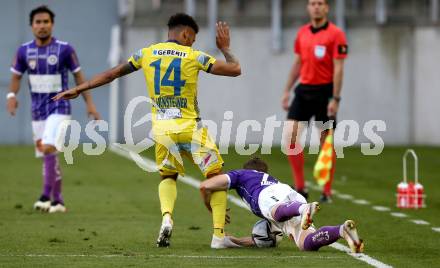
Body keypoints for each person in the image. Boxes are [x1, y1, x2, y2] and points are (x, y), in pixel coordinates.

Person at [53, 13, 241, 248]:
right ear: (185, 34)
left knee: (167, 176)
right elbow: (235, 69)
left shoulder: (146, 53)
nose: (192, 43)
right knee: (216, 178)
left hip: (162, 129)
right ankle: (218, 235)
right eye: (192, 38)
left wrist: (79, 89)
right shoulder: (195, 56)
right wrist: (225, 48)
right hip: (191, 127)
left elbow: (112, 74)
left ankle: (167, 218)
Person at [6, 5, 100, 213]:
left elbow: (78, 77)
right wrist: (11, 96)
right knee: (48, 154)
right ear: (31, 26)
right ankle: (58, 201)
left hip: (60, 107)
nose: (42, 26)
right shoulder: (23, 51)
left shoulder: (65, 50)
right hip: (37, 111)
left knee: (48, 146)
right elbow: (15, 78)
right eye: (38, 22)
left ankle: (44, 197)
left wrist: (90, 104)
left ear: (52, 24)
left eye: (46, 22)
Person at [199, 157, 364, 253]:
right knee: (306, 244)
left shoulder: (242, 175)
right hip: (291, 197)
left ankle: (303, 209)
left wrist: (209, 205)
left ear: (248, 169)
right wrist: (231, 240)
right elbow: (261, 238)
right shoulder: (272, 179)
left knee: (273, 210)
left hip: (270, 198)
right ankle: (342, 230)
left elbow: (206, 185)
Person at [281, 0, 348, 202]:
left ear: (327, 8)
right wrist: (287, 90)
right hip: (303, 91)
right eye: (312, 3)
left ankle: (326, 191)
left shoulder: (336, 34)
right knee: (290, 137)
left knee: (325, 143)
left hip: (325, 92)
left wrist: (335, 98)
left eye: (320, 3)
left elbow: (339, 68)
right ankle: (300, 187)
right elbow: (298, 63)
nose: (316, 6)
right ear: (308, 8)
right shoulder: (302, 33)